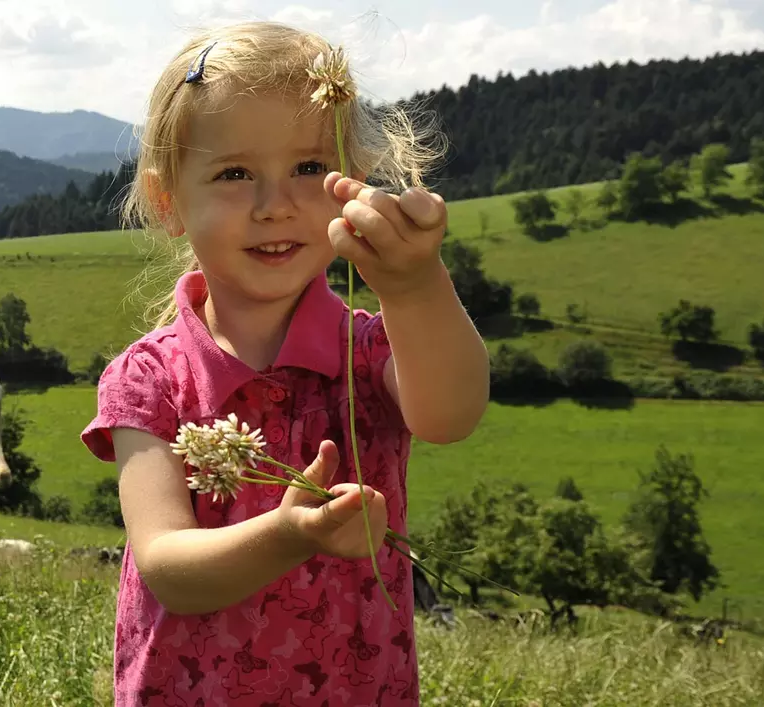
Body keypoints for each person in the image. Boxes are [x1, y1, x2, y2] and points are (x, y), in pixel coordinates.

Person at [78, 20, 491, 705]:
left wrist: (415, 287)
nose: (275, 206)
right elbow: (166, 566)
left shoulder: (369, 352)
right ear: (168, 201)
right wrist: (288, 534)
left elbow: (451, 414)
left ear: (350, 184)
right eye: (235, 174)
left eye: (306, 168)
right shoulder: (150, 380)